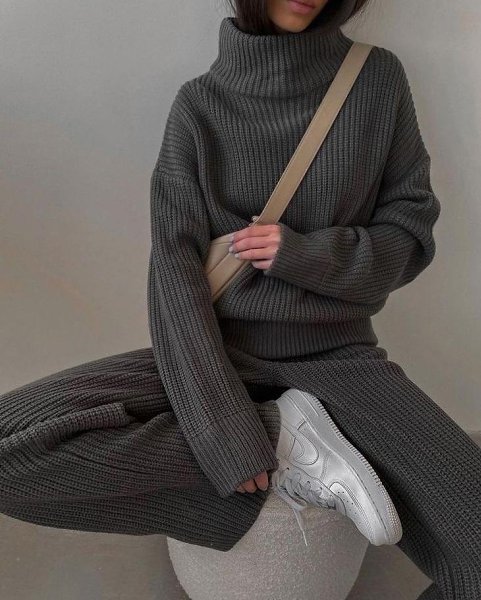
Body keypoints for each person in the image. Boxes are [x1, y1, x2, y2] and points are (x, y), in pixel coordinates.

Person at [1, 1, 480, 598]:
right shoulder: (199, 106)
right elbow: (173, 273)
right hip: (217, 359)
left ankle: (296, 442)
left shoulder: (374, 79)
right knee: (8, 448)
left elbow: (409, 235)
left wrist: (306, 254)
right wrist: (226, 432)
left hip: (340, 360)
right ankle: (285, 436)